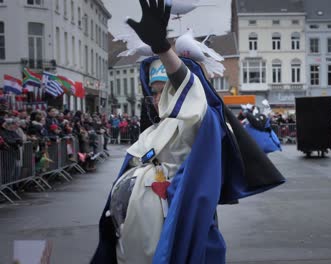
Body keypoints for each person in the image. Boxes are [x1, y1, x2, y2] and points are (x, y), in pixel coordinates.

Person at [91, 1, 285, 263]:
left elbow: (188, 86)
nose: (156, 98)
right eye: (154, 91)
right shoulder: (154, 130)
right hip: (135, 241)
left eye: (163, 90)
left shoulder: (190, 121)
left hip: (174, 237)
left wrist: (163, 50)